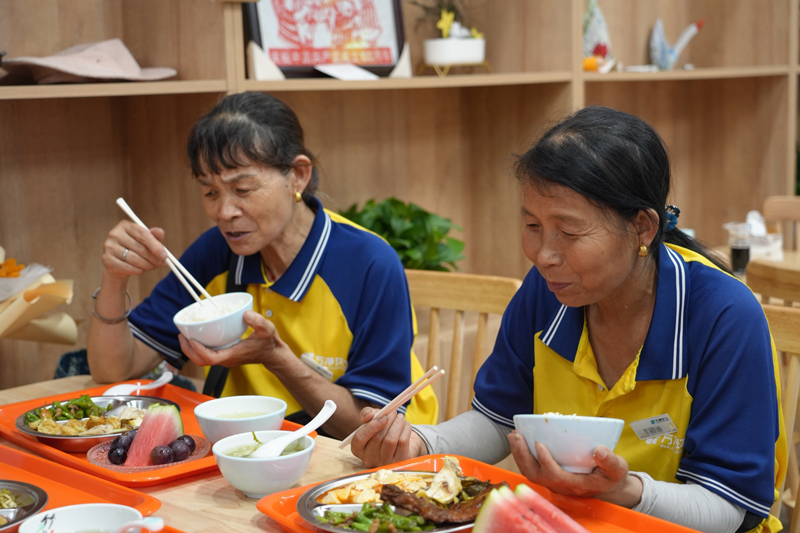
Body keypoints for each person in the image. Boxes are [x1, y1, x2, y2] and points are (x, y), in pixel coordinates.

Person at [350, 106, 786, 533]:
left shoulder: (724, 317)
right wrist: (421, 444)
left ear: (643, 228)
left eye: (570, 232)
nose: (544, 256)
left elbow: (727, 509)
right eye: (533, 226)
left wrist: (627, 490)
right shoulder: (549, 291)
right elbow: (499, 419)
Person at [87, 91, 438, 438]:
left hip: (369, 461)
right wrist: (116, 277)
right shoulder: (216, 252)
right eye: (210, 192)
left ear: (298, 176)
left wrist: (275, 357)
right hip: (251, 448)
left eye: (242, 189)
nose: (224, 212)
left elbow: (373, 431)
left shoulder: (368, 263)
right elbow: (113, 370)